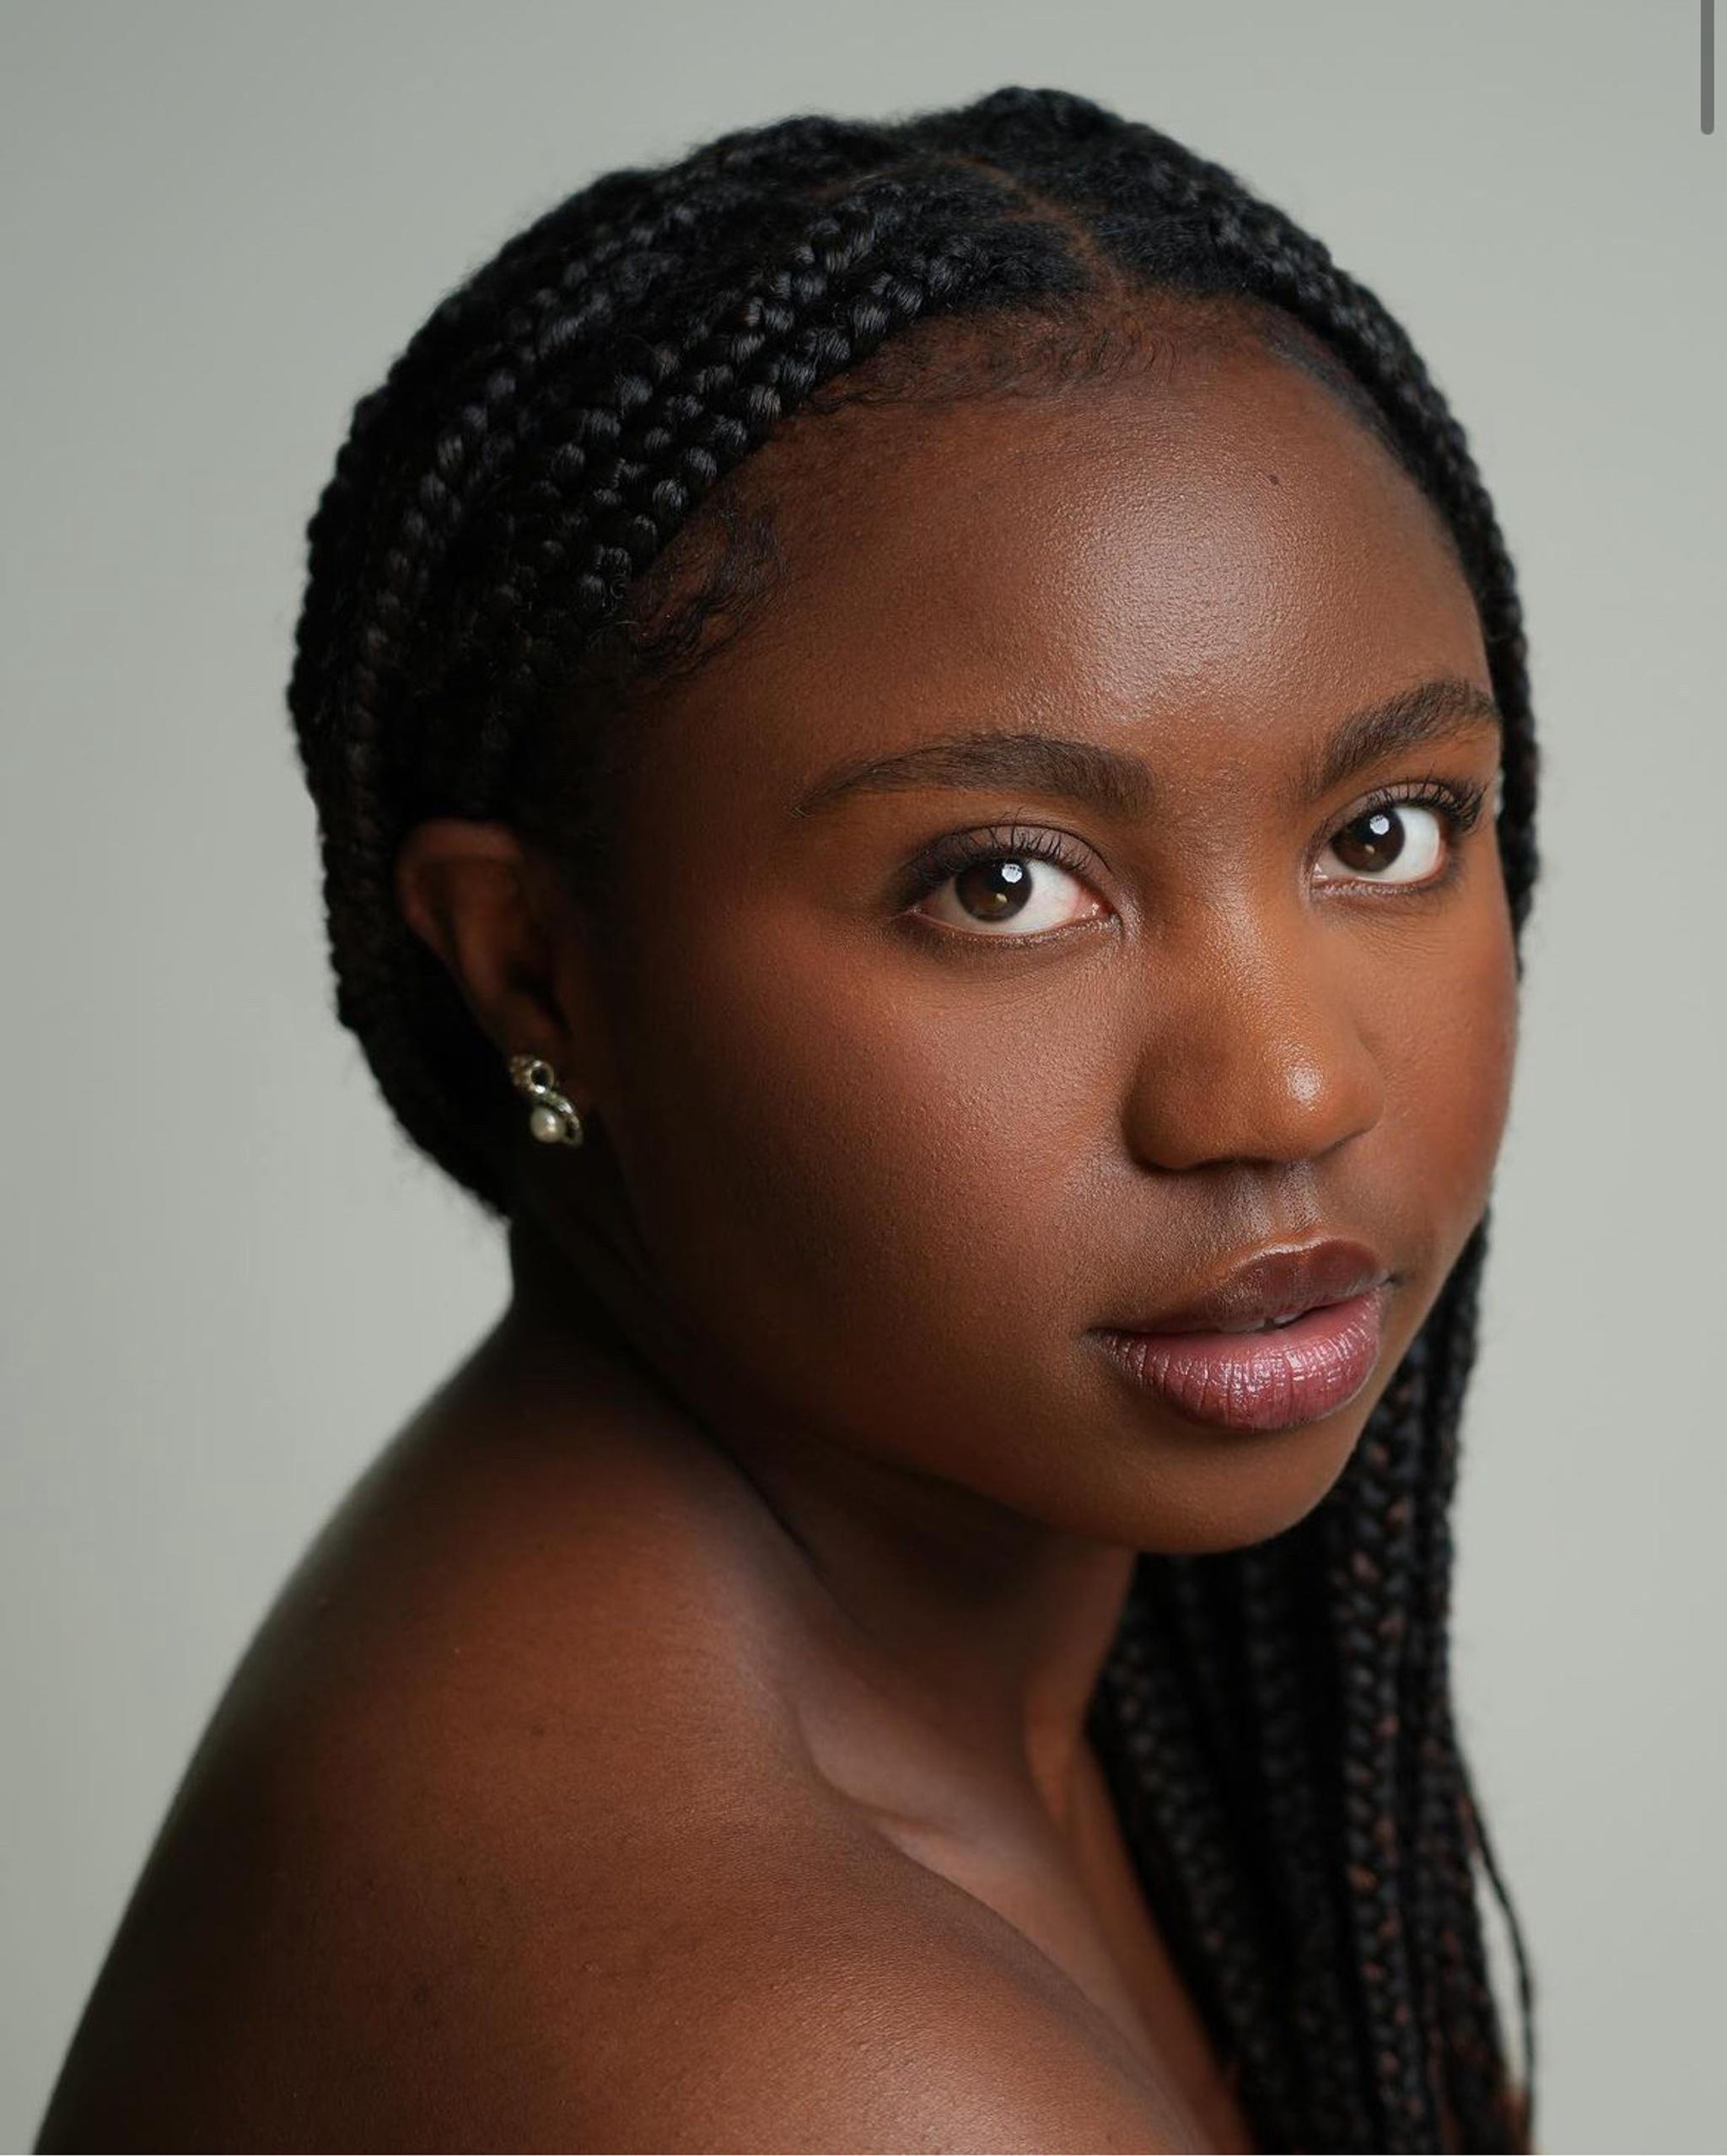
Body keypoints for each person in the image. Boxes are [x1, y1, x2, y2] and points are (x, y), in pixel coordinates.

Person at [37, 85, 1540, 2154]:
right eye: (1000, 882)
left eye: (1385, 829)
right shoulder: (820, 2075)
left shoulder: (946, 1610)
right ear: (531, 968)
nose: (1287, 1082)